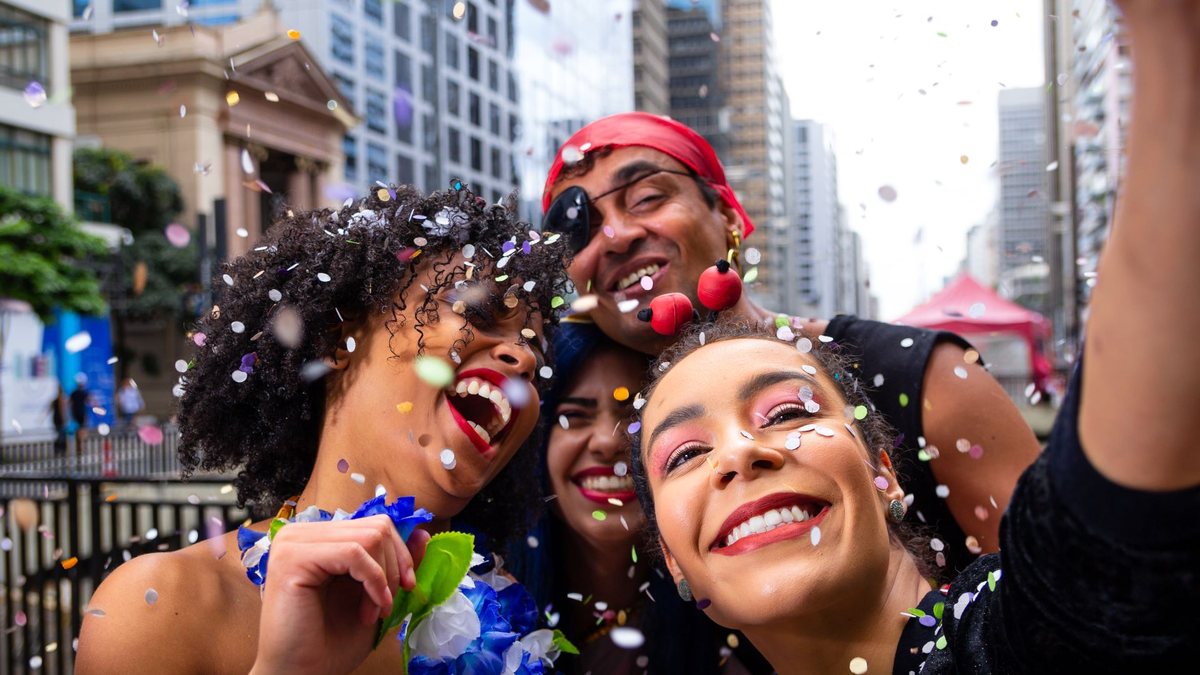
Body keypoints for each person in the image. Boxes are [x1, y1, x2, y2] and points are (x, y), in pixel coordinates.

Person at [630, 3, 1200, 671]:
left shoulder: (1018, 635)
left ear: (884, 472)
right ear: (674, 563)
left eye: (786, 412)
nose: (739, 454)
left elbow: (1103, 532)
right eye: (684, 454)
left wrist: (1172, 50)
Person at [76, 185, 572, 674]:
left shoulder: (504, 620)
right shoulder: (158, 608)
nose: (526, 358)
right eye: (480, 311)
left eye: (539, 353)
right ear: (341, 337)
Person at [542, 115, 1041, 576]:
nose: (615, 235)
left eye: (648, 197)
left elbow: (1058, 600)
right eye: (576, 228)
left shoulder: (919, 374)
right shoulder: (610, 432)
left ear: (727, 214)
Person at [507, 320, 751, 674]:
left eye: (635, 416)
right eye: (573, 416)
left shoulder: (739, 618)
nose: (607, 441)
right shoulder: (469, 598)